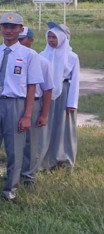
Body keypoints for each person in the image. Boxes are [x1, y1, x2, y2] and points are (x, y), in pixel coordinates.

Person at [0, 12, 43, 201]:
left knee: (15, 149)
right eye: (5, 27)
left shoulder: (29, 55)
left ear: (20, 29)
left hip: (16, 104)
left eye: (13, 27)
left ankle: (10, 190)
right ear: (0, 29)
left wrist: (27, 115)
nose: (8, 30)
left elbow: (32, 86)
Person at [41, 22, 81, 170]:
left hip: (64, 93)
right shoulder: (42, 55)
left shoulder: (72, 57)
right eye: (49, 37)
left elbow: (75, 81)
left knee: (64, 127)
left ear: (63, 38)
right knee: (46, 125)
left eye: (54, 37)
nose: (51, 40)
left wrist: (72, 103)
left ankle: (64, 160)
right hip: (46, 94)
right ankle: (44, 160)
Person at [16, 27, 53, 184]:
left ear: (31, 40)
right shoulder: (11, 58)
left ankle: (28, 176)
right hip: (15, 102)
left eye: (22, 39)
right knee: (16, 140)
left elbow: (47, 89)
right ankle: (14, 173)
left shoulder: (42, 62)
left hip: (35, 104)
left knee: (32, 142)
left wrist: (44, 114)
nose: (18, 43)